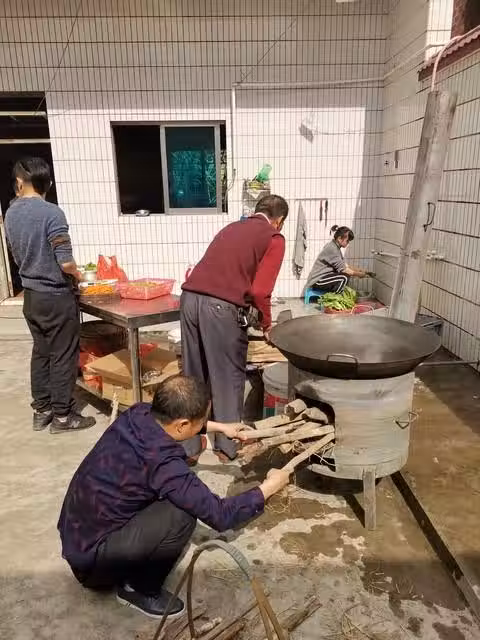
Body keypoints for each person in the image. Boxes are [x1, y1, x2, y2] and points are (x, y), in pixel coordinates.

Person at [58, 375, 290, 618]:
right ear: (182, 425)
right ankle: (138, 589)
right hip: (94, 564)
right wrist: (269, 487)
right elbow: (221, 515)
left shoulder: (138, 413)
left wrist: (222, 428)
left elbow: (181, 422)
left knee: (170, 496)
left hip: (77, 537)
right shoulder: (163, 464)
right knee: (182, 514)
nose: (204, 422)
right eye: (202, 419)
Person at [181, 194, 289, 462]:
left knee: (194, 377)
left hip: (189, 300)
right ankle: (226, 448)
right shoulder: (274, 238)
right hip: (219, 309)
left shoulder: (232, 227)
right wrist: (266, 324)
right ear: (279, 220)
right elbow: (260, 291)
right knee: (227, 378)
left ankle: (188, 447)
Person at [4, 157, 95, 433]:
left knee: (41, 353)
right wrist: (79, 275)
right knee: (63, 356)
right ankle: (63, 417)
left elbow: (18, 254)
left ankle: (41, 411)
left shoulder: (11, 213)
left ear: (19, 182)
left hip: (31, 297)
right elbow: (65, 261)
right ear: (49, 184)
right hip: (55, 296)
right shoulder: (52, 213)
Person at [304, 225, 369, 294]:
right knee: (344, 277)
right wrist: (359, 274)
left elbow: (344, 265)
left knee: (345, 275)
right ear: (339, 238)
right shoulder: (333, 249)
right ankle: (335, 297)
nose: (348, 243)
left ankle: (335, 294)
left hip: (324, 278)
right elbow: (344, 269)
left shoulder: (335, 247)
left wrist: (359, 270)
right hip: (318, 280)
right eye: (347, 241)